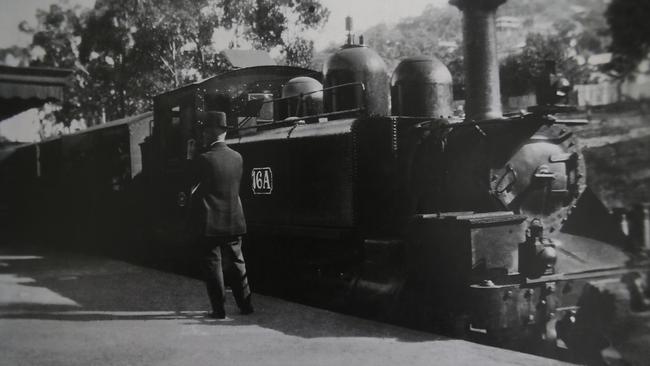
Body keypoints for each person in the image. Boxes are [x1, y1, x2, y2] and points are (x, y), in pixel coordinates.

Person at [193, 110, 253, 319]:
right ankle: (246, 305)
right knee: (237, 262)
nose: (202, 135)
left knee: (213, 265)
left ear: (210, 133)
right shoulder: (238, 158)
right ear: (224, 132)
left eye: (204, 131)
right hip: (234, 219)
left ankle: (218, 310)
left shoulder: (203, 159)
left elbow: (193, 187)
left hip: (211, 222)